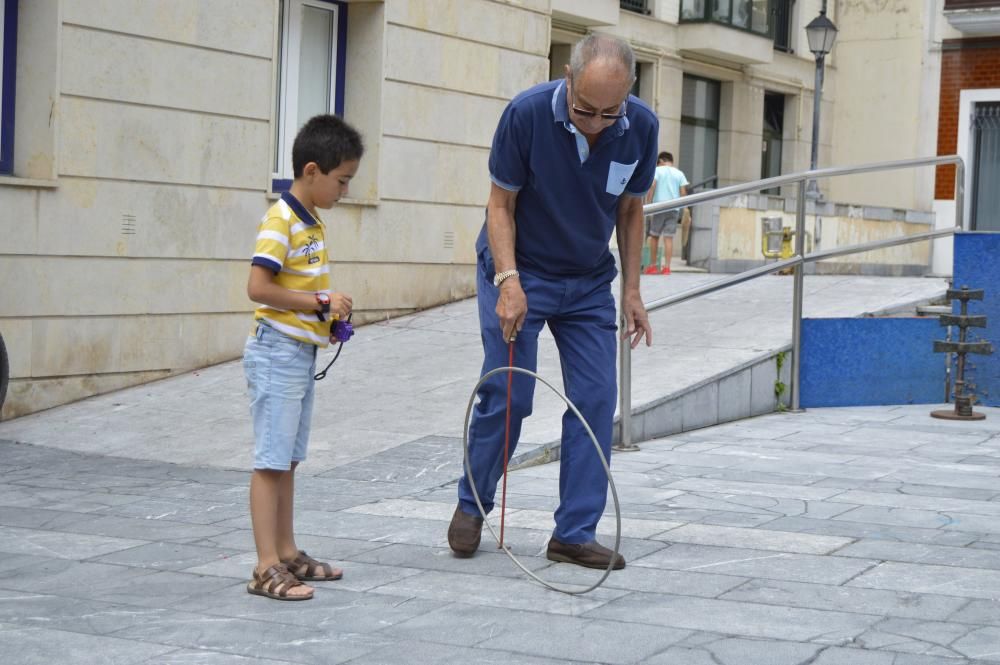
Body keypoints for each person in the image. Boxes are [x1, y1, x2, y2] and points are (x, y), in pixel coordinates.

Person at [448, 34, 657, 570]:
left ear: (628, 94)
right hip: (522, 269)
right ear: (568, 77)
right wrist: (509, 281)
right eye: (585, 109)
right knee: (511, 393)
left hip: (587, 283)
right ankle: (473, 503)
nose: (595, 122)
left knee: (595, 399)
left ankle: (573, 533)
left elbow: (631, 212)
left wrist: (632, 290)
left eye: (610, 112)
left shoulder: (641, 127)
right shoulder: (526, 115)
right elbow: (500, 206)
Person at [243, 114, 363, 601]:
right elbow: (258, 287)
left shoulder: (312, 221)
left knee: (288, 459)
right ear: (311, 171)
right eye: (342, 181)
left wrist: (328, 317)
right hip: (275, 354)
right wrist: (319, 303)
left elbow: (299, 286)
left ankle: (288, 552)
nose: (345, 191)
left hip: (299, 354)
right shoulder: (281, 219)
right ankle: (264, 565)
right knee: (270, 461)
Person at [644, 152, 689, 275]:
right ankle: (667, 268)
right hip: (674, 208)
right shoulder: (679, 173)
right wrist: (684, 207)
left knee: (654, 236)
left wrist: (648, 203)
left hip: (659, 207)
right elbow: (683, 192)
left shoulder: (657, 171)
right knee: (668, 237)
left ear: (661, 161)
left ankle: (653, 266)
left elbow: (652, 185)